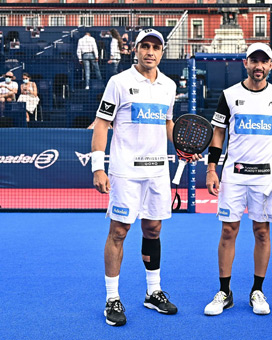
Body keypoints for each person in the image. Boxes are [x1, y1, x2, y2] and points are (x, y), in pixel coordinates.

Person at [91, 28, 181, 327]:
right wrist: (98, 167)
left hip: (157, 171)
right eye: (145, 46)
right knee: (119, 231)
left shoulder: (168, 85)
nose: (150, 52)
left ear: (162, 52)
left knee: (153, 230)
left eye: (156, 47)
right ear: (136, 50)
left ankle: (152, 292)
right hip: (125, 171)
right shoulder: (119, 82)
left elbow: (168, 122)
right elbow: (102, 124)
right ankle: (112, 298)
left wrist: (181, 144)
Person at [203, 43, 272, 316]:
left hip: (265, 179)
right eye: (253, 60)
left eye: (263, 61)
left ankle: (257, 290)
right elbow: (218, 133)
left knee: (262, 232)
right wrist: (212, 170)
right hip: (234, 176)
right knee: (229, 231)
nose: (258, 66)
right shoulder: (229, 95)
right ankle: (224, 291)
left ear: (271, 66)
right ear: (245, 63)